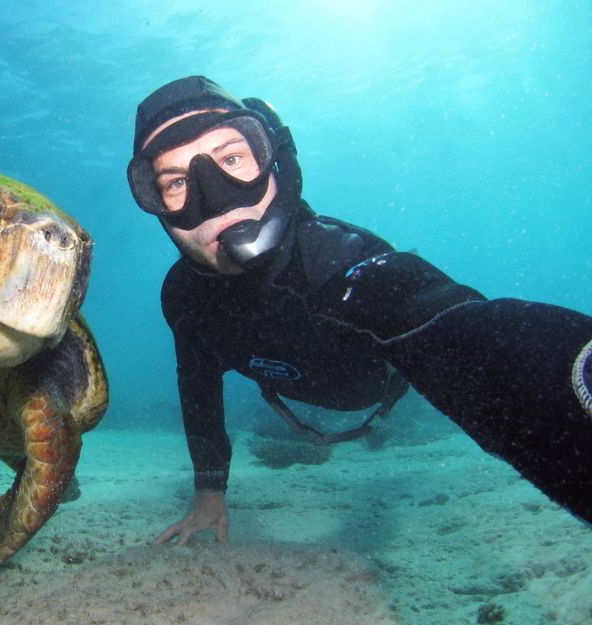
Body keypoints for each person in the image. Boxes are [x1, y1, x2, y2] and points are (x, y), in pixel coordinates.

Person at [126, 75, 592, 546]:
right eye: (177, 182)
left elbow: (458, 328)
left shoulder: (346, 263)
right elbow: (198, 387)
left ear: (276, 161)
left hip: (384, 385)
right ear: (158, 208)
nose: (214, 198)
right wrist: (210, 493)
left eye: (231, 159)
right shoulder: (185, 296)